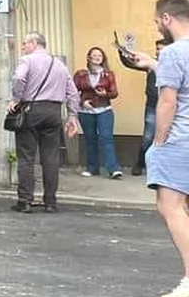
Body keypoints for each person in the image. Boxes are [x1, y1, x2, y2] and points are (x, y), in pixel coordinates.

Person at [129, 0, 189, 297]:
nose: (157, 26)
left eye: (157, 21)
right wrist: (153, 63)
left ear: (167, 19)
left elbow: (168, 101)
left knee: (171, 207)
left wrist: (158, 142)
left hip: (180, 140)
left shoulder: (174, 52)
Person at [8, 31, 81, 214]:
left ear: (34, 43)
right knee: (51, 158)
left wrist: (16, 98)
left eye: (25, 43)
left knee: (26, 157)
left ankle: (25, 201)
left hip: (31, 110)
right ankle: (50, 202)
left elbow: (18, 78)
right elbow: (72, 93)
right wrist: (72, 116)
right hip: (54, 112)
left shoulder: (27, 60)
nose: (23, 47)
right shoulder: (60, 65)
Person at [119, 37, 171, 176]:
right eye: (157, 49)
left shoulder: (174, 64)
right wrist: (122, 52)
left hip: (170, 109)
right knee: (148, 138)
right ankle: (140, 164)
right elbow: (130, 63)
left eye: (161, 48)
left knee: (169, 139)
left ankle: (163, 169)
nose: (159, 51)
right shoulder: (149, 64)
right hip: (153, 107)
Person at [73, 47, 121, 179]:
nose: (97, 57)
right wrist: (82, 103)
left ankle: (113, 169)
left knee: (107, 138)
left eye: (100, 55)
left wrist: (106, 94)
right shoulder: (80, 74)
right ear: (88, 57)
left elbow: (115, 93)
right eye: (94, 55)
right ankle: (92, 168)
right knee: (90, 140)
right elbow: (72, 92)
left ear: (103, 58)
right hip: (86, 111)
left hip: (104, 109)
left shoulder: (108, 74)